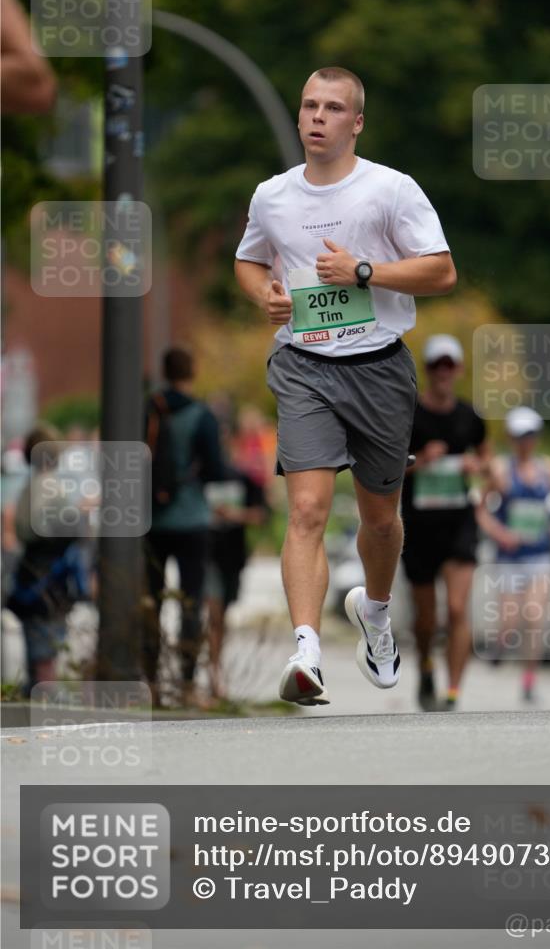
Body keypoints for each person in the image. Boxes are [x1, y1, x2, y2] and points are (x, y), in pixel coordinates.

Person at [234, 66, 456, 706]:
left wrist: (363, 271)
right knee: (305, 509)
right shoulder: (272, 196)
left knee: (380, 520)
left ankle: (377, 614)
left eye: (333, 107)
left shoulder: (390, 190)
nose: (317, 117)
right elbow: (249, 261)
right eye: (309, 105)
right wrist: (265, 297)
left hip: (380, 366)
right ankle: (306, 652)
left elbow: (441, 272)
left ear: (356, 122)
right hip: (303, 365)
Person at [402, 335, 491, 711]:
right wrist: (421, 459)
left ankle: (452, 692)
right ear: (427, 370)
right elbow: (387, 466)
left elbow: (490, 464)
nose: (443, 371)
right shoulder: (409, 415)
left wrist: (478, 467)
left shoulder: (470, 417)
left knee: (456, 609)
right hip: (419, 525)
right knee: (427, 617)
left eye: (449, 364)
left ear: (458, 369)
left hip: (458, 522)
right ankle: (425, 666)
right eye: (436, 365)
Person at [476, 407, 550, 701]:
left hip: (540, 555)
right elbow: (480, 508)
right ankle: (500, 644)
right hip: (509, 559)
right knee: (509, 620)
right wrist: (499, 533)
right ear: (510, 438)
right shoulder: (500, 470)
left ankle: (529, 679)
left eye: (530, 435)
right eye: (520, 436)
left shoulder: (548, 469)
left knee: (534, 616)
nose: (526, 442)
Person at [143, 347, 225, 706]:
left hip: (151, 521)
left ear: (164, 370)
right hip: (191, 519)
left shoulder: (148, 410)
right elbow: (217, 471)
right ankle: (189, 684)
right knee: (191, 602)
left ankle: (151, 684)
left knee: (152, 601)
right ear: (192, 371)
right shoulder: (201, 416)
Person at [7, 426, 89, 692]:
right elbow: (55, 528)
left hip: (32, 574)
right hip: (48, 577)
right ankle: (43, 704)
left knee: (39, 649)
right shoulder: (48, 486)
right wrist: (81, 512)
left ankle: (36, 698)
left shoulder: (29, 487)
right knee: (45, 651)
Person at [205, 462, 269, 700]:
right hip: (204, 555)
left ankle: (214, 668)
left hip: (232, 557)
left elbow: (262, 514)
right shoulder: (198, 475)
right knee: (212, 612)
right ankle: (210, 675)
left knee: (220, 618)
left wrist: (234, 515)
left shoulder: (243, 478)